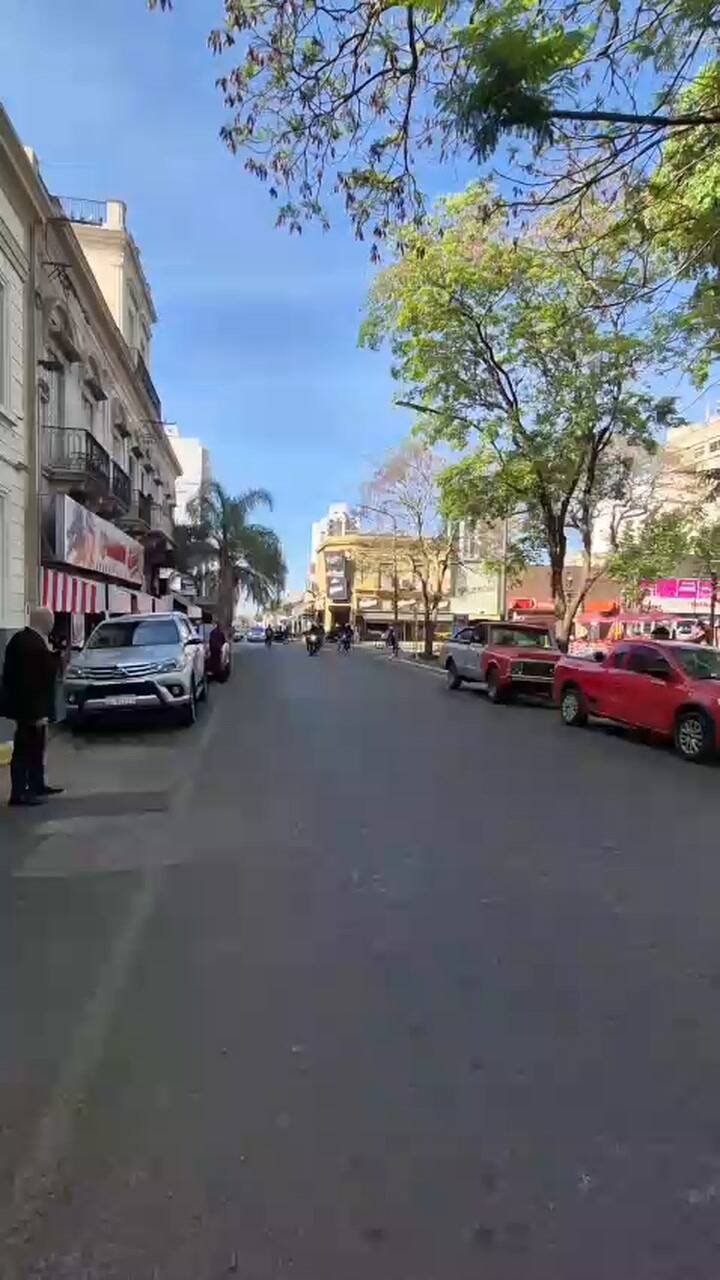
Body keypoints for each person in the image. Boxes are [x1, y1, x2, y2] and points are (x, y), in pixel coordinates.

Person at [1, 606, 63, 807]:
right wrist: (36, 713)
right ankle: (19, 792)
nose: (53, 625)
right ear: (43, 621)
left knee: (36, 746)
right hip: (28, 708)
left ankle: (36, 784)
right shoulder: (29, 643)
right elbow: (30, 681)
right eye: (51, 620)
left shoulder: (28, 640)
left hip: (31, 706)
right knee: (25, 749)